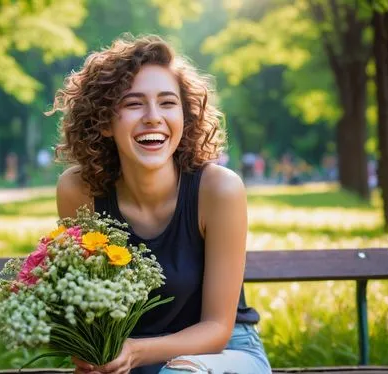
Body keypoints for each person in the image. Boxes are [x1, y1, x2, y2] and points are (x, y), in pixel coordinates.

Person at [51, 35, 271, 374]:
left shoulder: (218, 190)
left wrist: (136, 352)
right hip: (132, 360)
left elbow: (217, 329)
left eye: (168, 103)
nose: (153, 117)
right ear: (105, 122)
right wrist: (92, 351)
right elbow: (91, 306)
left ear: (185, 116)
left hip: (224, 354)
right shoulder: (78, 191)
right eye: (134, 103)